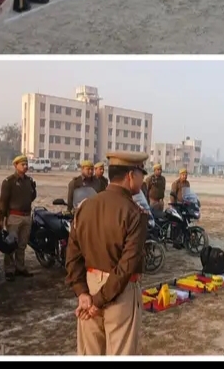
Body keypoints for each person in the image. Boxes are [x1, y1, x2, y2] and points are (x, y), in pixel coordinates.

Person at [65, 151, 149, 355]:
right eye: (141, 174)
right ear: (131, 175)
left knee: (90, 353)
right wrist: (98, 301)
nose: (142, 179)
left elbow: (73, 256)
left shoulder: (85, 207)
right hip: (120, 292)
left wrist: (83, 293)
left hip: (90, 287)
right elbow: (126, 266)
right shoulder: (134, 213)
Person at [0, 155, 37, 281]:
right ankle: (9, 270)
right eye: (22, 164)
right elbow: (3, 201)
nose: (25, 167)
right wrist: (1, 219)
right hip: (14, 216)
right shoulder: (9, 182)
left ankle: (20, 267)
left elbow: (32, 196)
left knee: (22, 244)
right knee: (11, 244)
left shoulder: (29, 181)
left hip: (26, 216)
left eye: (26, 164)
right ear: (15, 165)